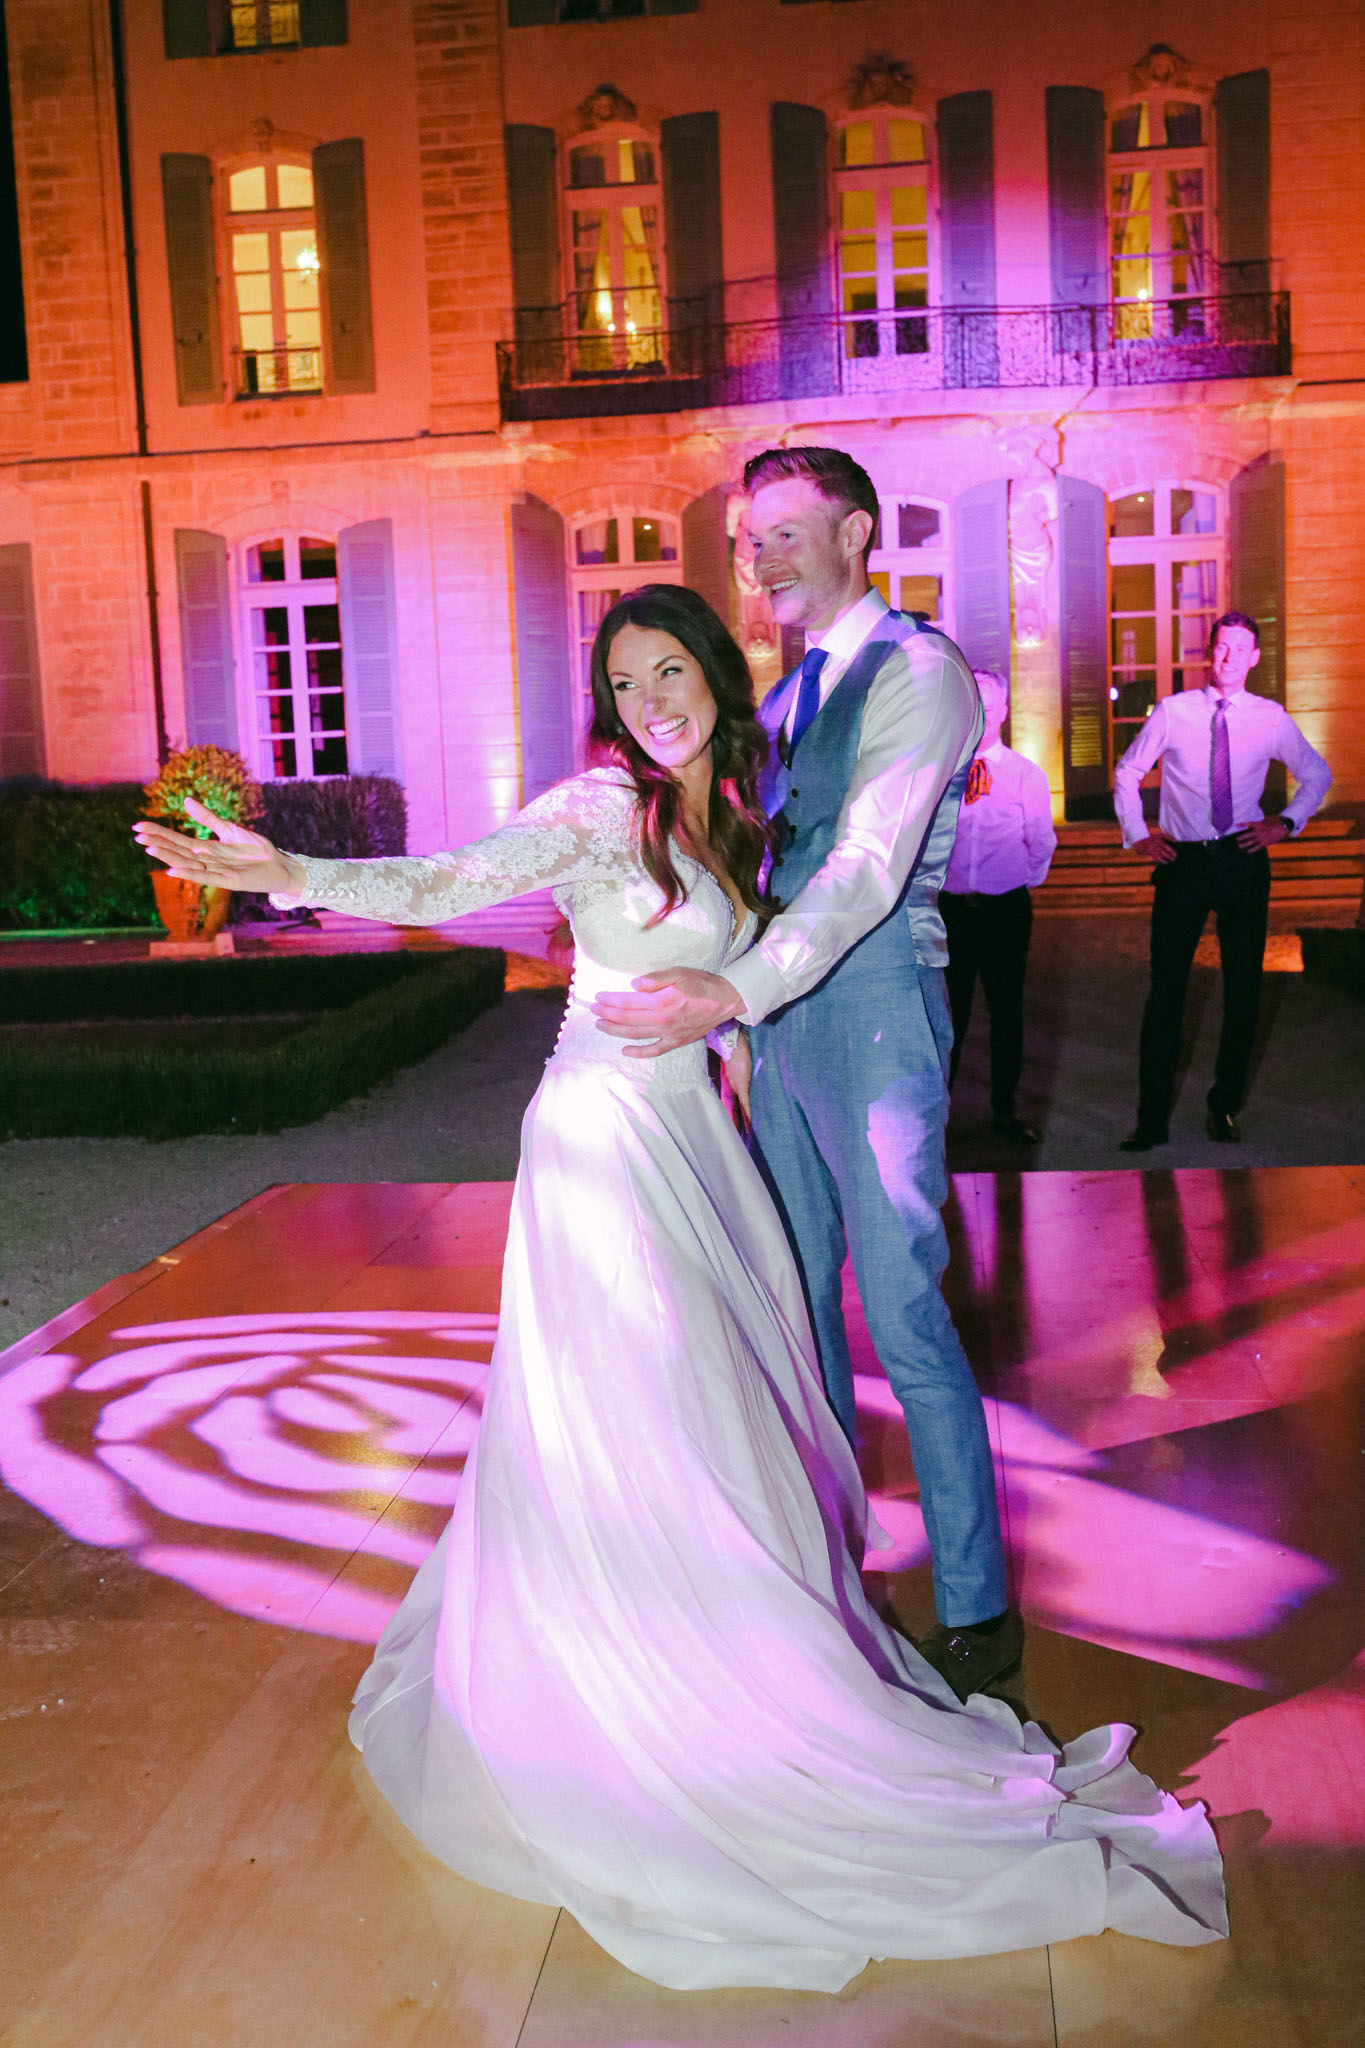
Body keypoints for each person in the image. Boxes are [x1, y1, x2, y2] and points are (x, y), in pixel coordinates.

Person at [133, 584, 1224, 1994]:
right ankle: (644, 1696)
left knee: (710, 1429)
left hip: (693, 1147)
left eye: (670, 670)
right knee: (637, 1425)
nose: (651, 699)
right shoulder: (602, 806)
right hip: (604, 1153)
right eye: (625, 678)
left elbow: (787, 949)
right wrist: (290, 872)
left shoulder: (729, 822)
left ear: (714, 675)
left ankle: (732, 1668)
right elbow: (452, 878)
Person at [594, 447, 1019, 1703]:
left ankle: (977, 1607)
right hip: (774, 1031)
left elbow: (866, 868)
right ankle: (832, 1572)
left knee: (906, 1314)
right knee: (793, 1310)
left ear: (857, 533)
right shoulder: (777, 704)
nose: (762, 558)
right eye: (751, 538)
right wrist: (731, 1024)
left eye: (787, 532)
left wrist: (739, 990)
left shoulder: (923, 670)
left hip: (876, 1012)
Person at [1114, 610, 1332, 1150]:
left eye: (1241, 648)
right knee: (1166, 990)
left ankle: (1225, 1106)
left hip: (1242, 859)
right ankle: (1151, 1118)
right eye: (1222, 646)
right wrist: (1138, 834)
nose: (1230, 656)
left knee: (1243, 988)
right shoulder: (1175, 710)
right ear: (1209, 652)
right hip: (1182, 862)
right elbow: (1127, 771)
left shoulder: (1270, 717)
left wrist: (1284, 822)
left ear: (1254, 658)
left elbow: (1317, 773)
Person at [941, 667, 1057, 1146]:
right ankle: (938, 1116)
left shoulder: (1024, 774)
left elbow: (1041, 842)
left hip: (1003, 910)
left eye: (990, 702)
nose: (982, 712)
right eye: (975, 701)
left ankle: (1004, 1113)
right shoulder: (944, 771)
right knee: (950, 1016)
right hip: (950, 911)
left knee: (1007, 1012)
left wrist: (1011, 884)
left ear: (1005, 711)